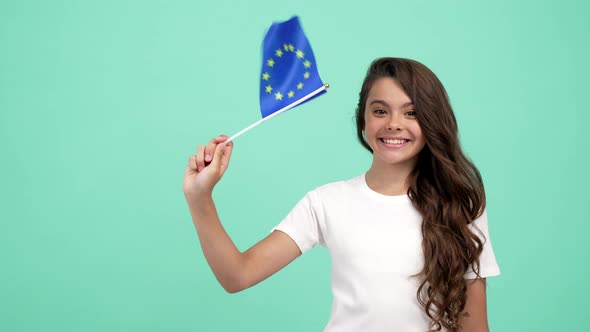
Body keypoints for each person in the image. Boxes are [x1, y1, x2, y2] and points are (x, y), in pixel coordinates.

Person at [183, 57, 501, 332]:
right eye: (380, 111)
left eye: (411, 113)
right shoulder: (326, 202)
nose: (394, 124)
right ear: (363, 119)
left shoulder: (460, 205)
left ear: (432, 121)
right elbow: (238, 275)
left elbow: (474, 326)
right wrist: (200, 199)